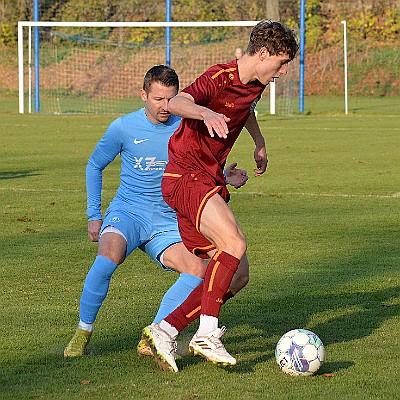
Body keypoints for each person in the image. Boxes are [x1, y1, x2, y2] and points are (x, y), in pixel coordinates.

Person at [63, 65, 249, 361]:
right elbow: (94, 165)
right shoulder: (123, 127)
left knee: (197, 270)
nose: (165, 107)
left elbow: (196, 169)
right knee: (108, 256)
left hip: (167, 219)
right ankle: (83, 331)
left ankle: (154, 334)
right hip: (128, 212)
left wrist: (223, 177)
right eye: (158, 99)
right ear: (143, 95)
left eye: (170, 99)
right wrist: (93, 214)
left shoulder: (185, 125)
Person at [142, 20, 299, 371]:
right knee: (235, 243)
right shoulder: (218, 77)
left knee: (238, 273)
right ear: (263, 54)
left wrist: (258, 143)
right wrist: (206, 111)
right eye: (282, 63)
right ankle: (206, 332)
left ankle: (165, 330)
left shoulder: (256, 84)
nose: (283, 71)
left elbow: (246, 111)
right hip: (184, 175)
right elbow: (179, 101)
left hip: (209, 178)